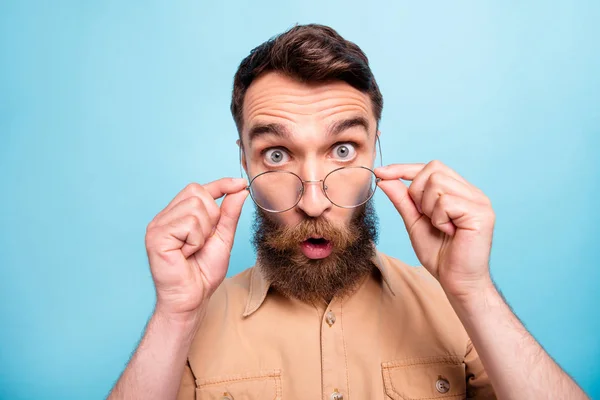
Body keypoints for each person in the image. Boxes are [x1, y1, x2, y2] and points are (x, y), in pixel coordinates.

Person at [108, 24, 588, 400]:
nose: (313, 202)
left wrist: (474, 291)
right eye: (276, 155)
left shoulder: (455, 310)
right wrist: (174, 316)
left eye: (342, 150)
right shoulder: (191, 327)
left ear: (375, 153)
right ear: (244, 163)